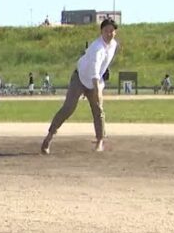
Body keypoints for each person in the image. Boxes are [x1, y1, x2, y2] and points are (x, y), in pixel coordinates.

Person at [40, 18, 119, 154]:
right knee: (68, 108)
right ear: (101, 31)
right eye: (106, 31)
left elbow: (101, 69)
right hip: (80, 78)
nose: (109, 34)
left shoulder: (113, 45)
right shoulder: (97, 48)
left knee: (98, 109)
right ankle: (48, 138)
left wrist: (99, 87)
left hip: (96, 80)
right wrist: (97, 90)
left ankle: (100, 141)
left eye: (112, 31)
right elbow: (94, 69)